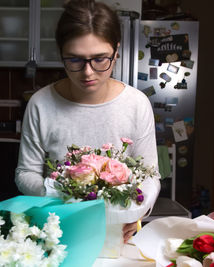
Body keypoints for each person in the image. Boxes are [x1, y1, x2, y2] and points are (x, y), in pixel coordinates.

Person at [15, 0, 161, 243]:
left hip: (115, 233)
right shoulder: (40, 104)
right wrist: (65, 197)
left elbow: (150, 176)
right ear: (61, 53)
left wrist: (135, 215)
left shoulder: (137, 104)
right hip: (57, 229)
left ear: (116, 51)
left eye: (100, 59)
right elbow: (25, 173)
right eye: (75, 60)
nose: (88, 72)